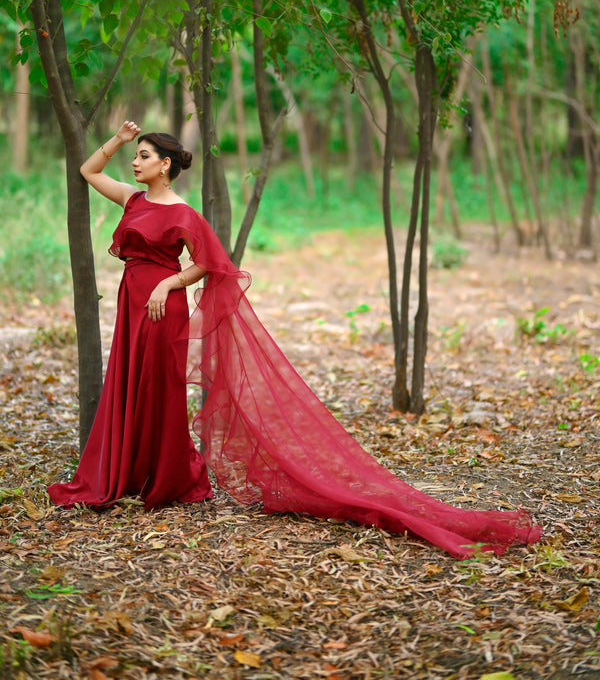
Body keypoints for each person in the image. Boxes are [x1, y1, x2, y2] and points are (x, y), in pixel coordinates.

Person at [48, 121, 542, 559]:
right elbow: (90, 172)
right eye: (136, 157)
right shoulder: (133, 200)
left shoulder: (184, 214)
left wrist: (168, 283)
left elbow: (212, 264)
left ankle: (167, 478)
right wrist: (117, 139)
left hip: (161, 305)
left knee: (158, 388)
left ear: (167, 166)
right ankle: (125, 471)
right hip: (130, 304)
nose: (135, 163)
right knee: (129, 383)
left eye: (144, 156)